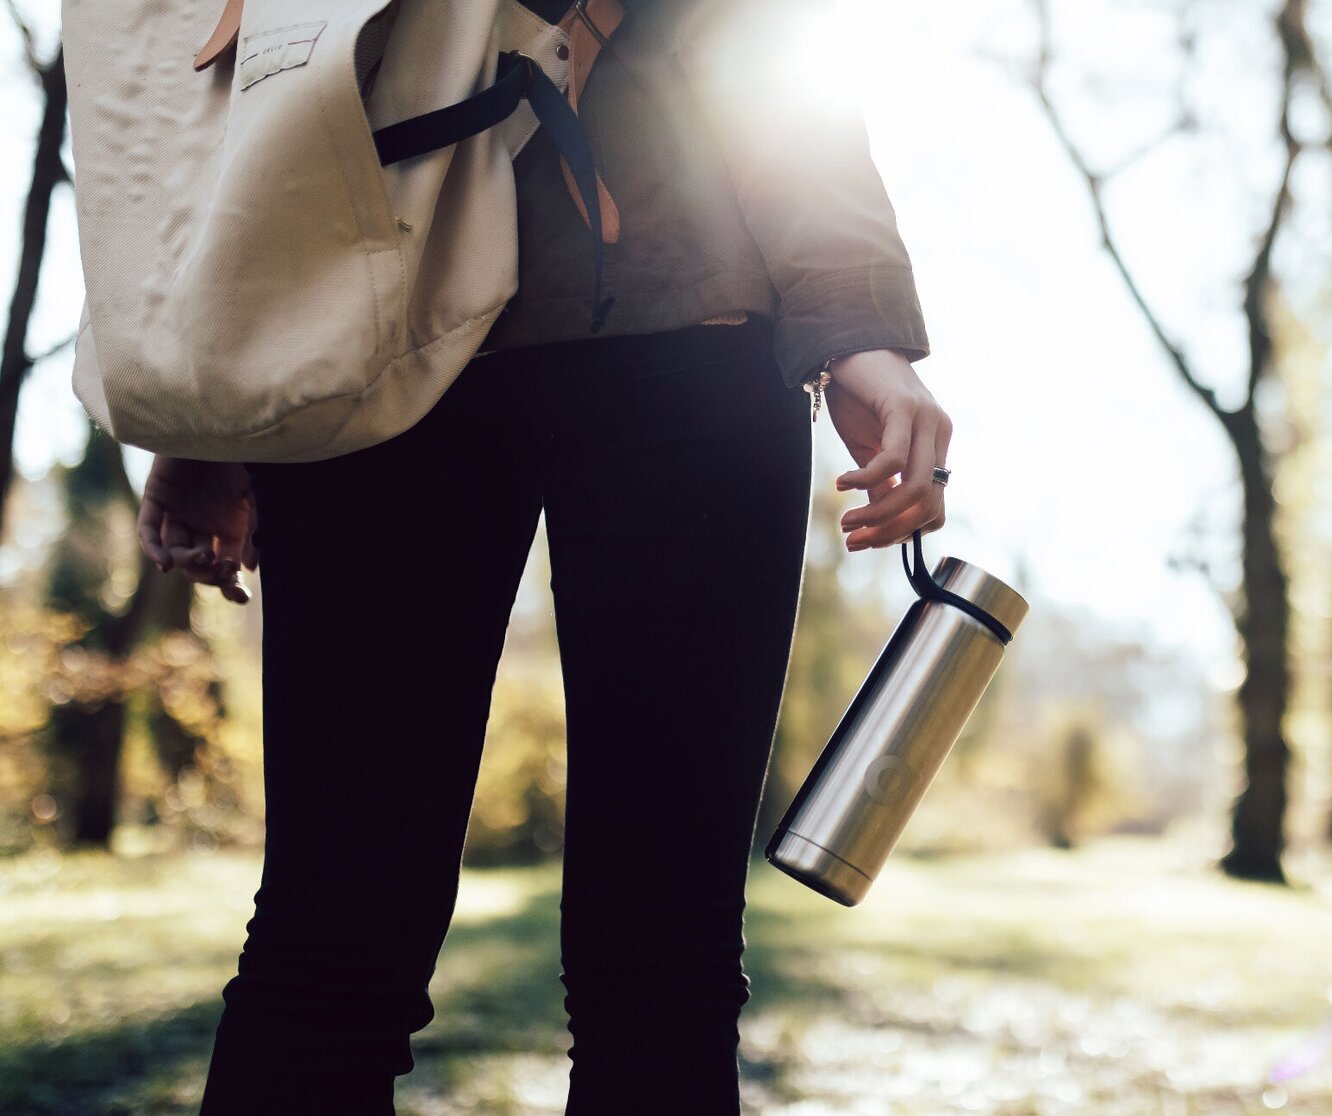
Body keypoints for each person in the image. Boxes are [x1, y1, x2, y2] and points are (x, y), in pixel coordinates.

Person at [127, 1, 951, 1111]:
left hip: (653, 327)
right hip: (389, 334)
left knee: (627, 957)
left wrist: (854, 320)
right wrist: (205, 407)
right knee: (343, 944)